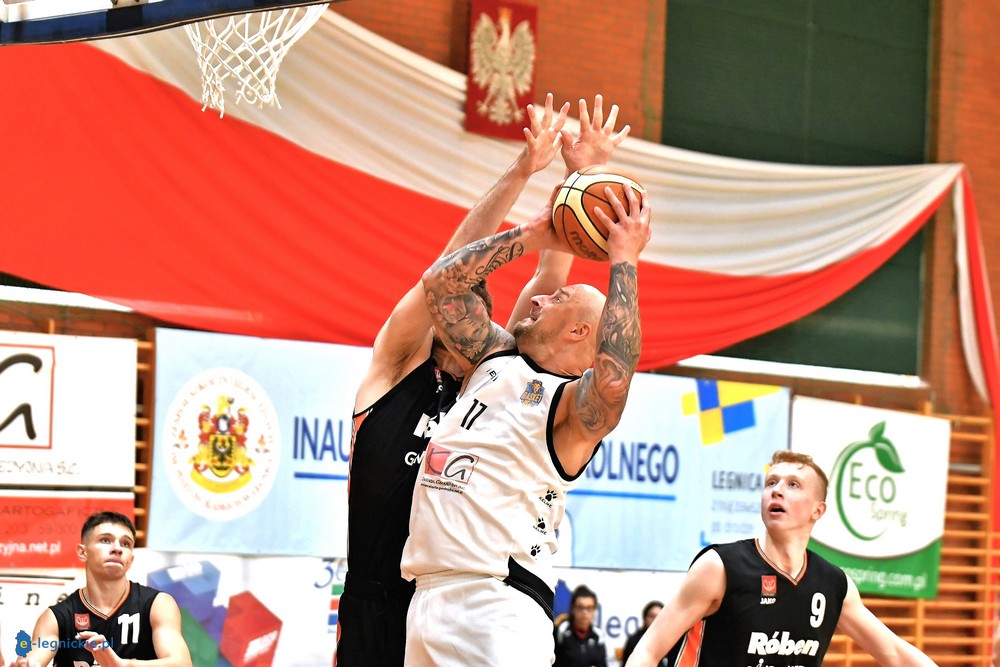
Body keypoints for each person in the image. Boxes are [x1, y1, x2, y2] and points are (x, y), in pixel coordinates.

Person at [335, 93, 630, 667]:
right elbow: (445, 269)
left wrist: (582, 180)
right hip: (379, 603)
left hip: (461, 597)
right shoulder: (396, 369)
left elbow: (550, 278)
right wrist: (523, 171)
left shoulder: (495, 372)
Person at [400, 131, 651, 665]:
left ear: (583, 333)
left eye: (560, 299)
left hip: (498, 604)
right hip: (427, 598)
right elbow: (440, 286)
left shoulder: (570, 410)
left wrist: (623, 260)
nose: (544, 294)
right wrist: (562, 200)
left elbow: (615, 377)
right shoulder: (496, 356)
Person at [624, 450, 940, 667]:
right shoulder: (720, 567)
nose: (777, 491)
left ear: (818, 510)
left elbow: (895, 653)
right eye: (771, 483)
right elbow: (649, 650)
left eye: (793, 485)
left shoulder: (833, 585)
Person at [6, 511, 191, 667]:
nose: (117, 549)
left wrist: (122, 664)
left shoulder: (157, 604)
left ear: (131, 559)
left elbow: (181, 663)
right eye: (105, 540)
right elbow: (35, 656)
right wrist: (26, 664)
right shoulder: (57, 617)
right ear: (82, 552)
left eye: (125, 544)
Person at [553, 585, 607, 667]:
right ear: (573, 608)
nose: (585, 612)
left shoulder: (598, 635)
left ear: (594, 611)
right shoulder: (561, 631)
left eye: (589, 608)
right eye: (580, 607)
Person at [620, 601, 665, 667]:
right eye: (652, 616)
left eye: (659, 617)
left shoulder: (670, 640)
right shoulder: (634, 640)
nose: (655, 620)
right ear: (645, 618)